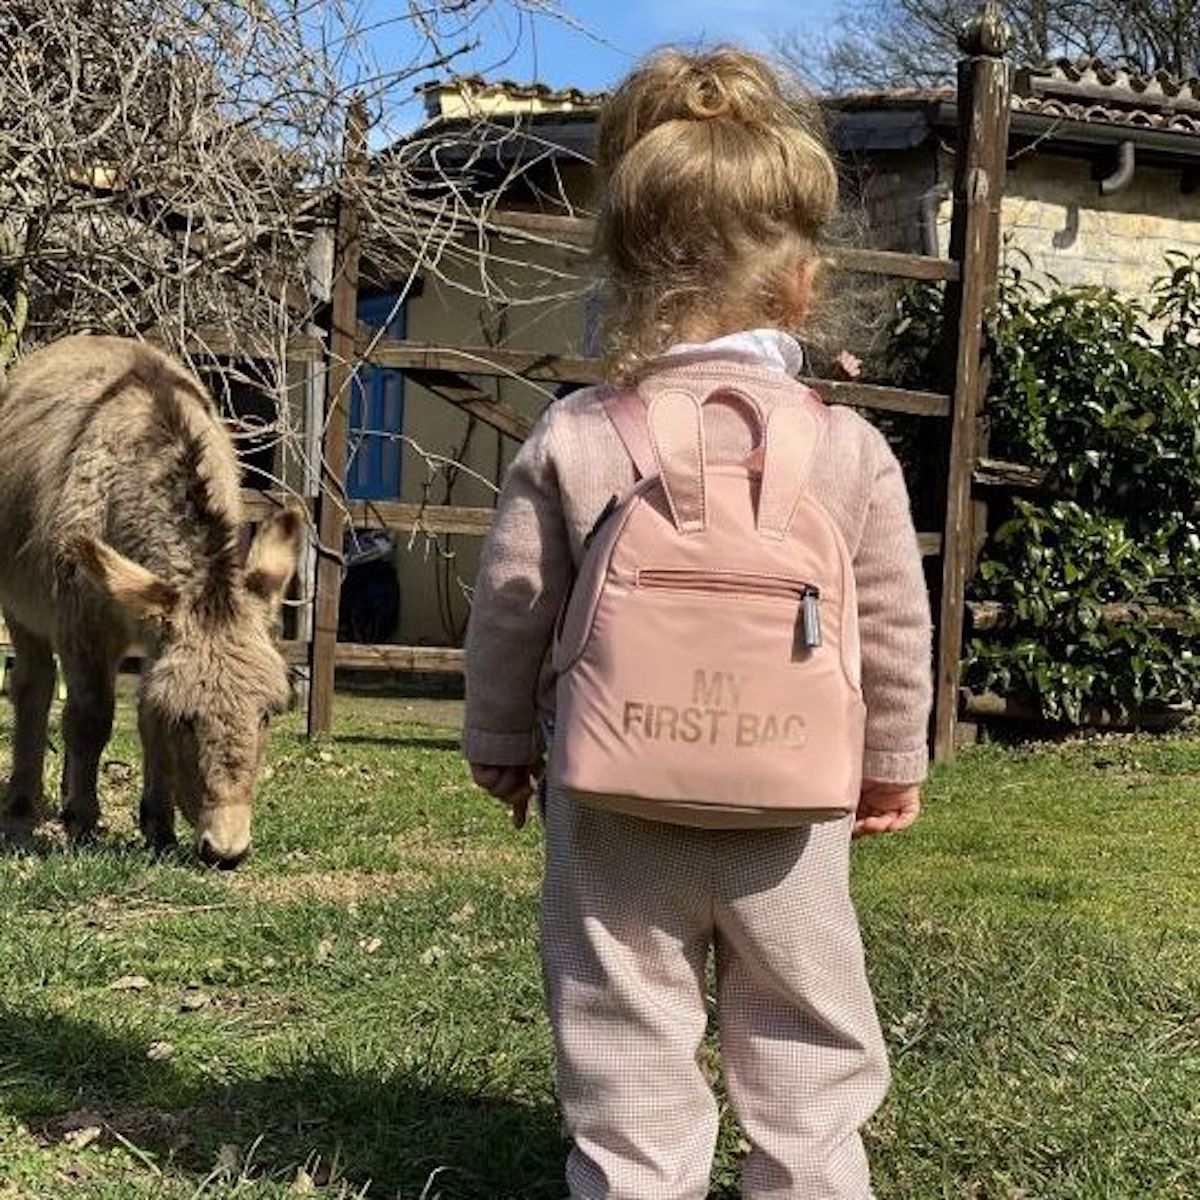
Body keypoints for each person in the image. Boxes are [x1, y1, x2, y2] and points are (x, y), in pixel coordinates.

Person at [463, 45, 931, 1200]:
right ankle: (813, 1182)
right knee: (810, 1025)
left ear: (618, 266)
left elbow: (514, 609)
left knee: (622, 1017)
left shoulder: (577, 434)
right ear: (802, 282)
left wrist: (501, 743)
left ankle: (633, 1182)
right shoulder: (848, 448)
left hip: (614, 799)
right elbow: (890, 623)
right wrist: (891, 764)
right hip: (792, 808)